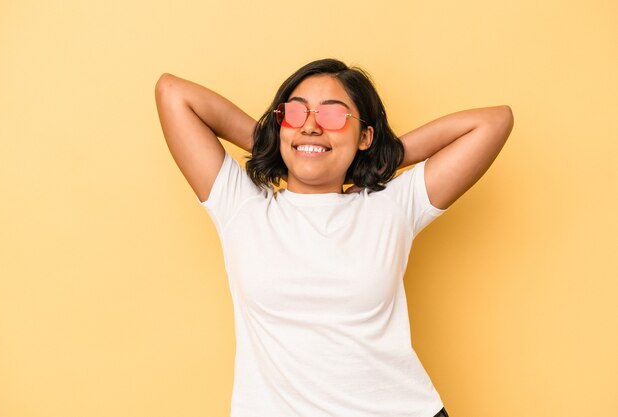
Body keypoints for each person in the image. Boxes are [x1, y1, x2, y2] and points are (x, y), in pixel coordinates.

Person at [154, 58, 514, 417]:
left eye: (333, 117)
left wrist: (383, 159)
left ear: (364, 136)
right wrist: (278, 142)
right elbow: (172, 93)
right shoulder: (242, 207)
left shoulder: (390, 207)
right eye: (295, 114)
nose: (310, 126)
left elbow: (494, 122)